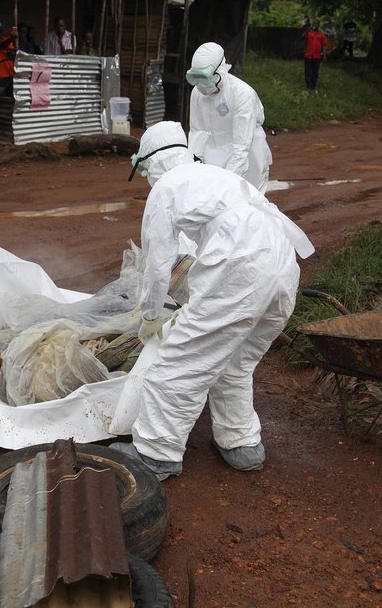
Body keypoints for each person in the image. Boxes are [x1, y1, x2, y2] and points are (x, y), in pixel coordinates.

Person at [111, 121, 314, 479]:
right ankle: (241, 443)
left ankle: (156, 453)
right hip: (282, 262)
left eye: (142, 168)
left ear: (153, 162)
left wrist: (150, 317)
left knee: (178, 360)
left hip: (241, 263)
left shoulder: (166, 189)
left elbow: (157, 266)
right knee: (235, 362)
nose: (145, 176)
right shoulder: (213, 176)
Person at [185, 42, 272, 194]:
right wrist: (193, 169)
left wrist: (228, 184)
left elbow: (241, 147)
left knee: (247, 201)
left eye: (205, 77)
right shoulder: (197, 94)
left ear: (220, 70)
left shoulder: (242, 94)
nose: (202, 85)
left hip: (248, 159)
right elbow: (196, 134)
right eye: (196, 78)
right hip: (213, 157)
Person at [303, 19, 325, 91]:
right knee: (308, 71)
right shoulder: (309, 32)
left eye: (317, 24)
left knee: (315, 71)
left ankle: (313, 86)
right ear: (312, 25)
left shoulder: (321, 34)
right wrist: (307, 30)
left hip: (317, 55)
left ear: (319, 25)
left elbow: (323, 45)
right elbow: (302, 38)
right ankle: (308, 85)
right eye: (314, 23)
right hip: (308, 54)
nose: (315, 25)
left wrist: (324, 54)